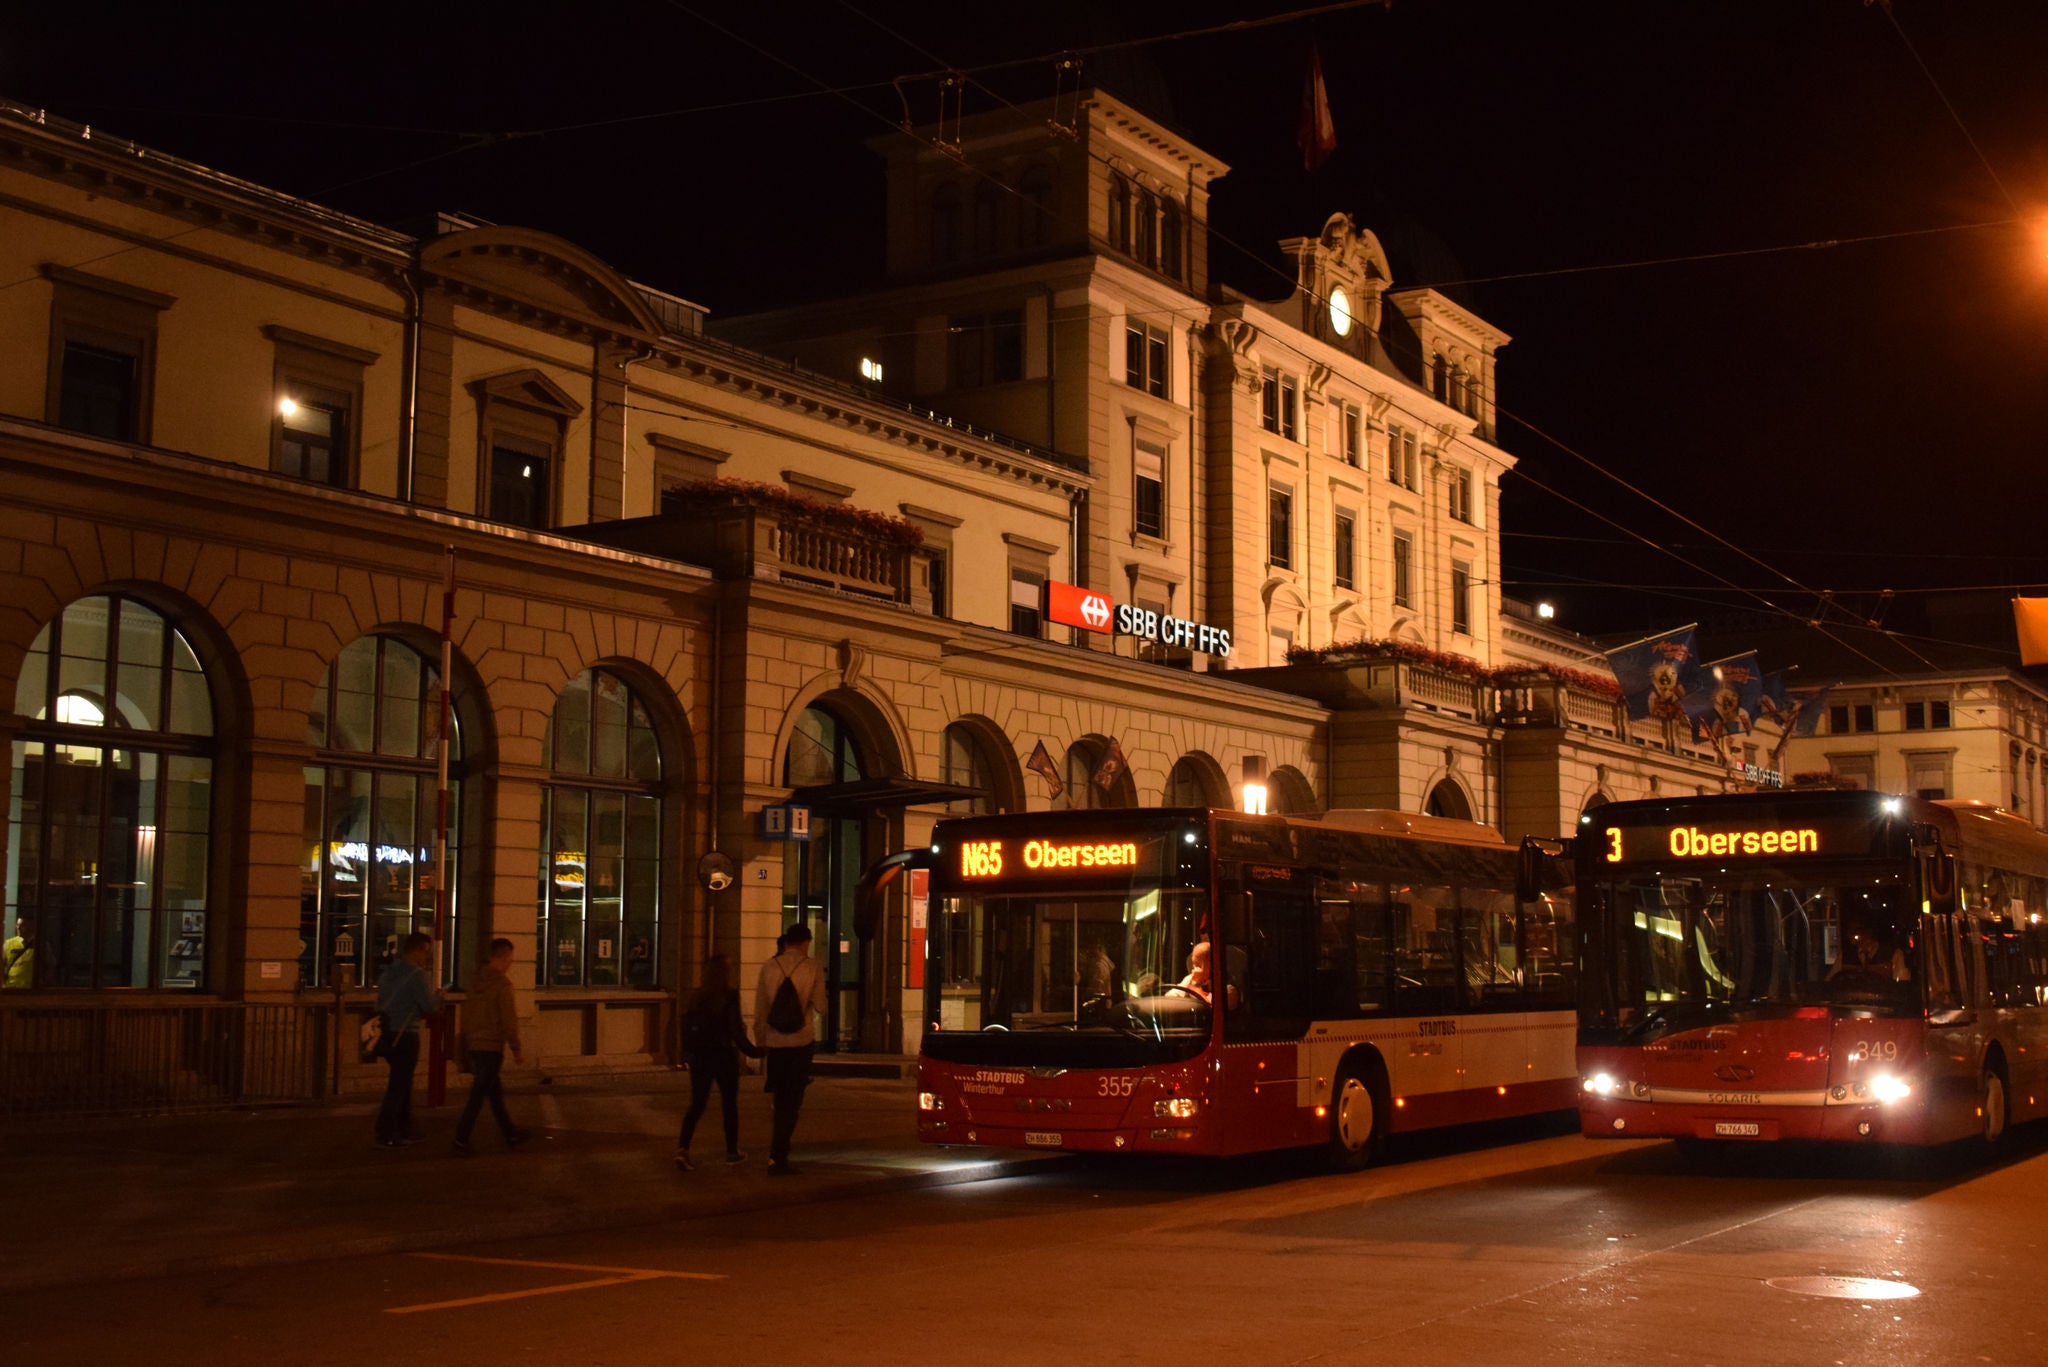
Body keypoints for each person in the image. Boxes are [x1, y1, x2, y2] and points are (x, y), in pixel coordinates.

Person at [753, 922, 828, 1176]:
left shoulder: (769, 966)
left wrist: (760, 1040)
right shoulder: (812, 966)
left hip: (775, 1043)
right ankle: (779, 1154)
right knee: (793, 1102)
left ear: (786, 942)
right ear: (806, 941)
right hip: (800, 1042)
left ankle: (777, 1153)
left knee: (778, 1100)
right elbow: (821, 1006)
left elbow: (761, 1009)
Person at [676, 952, 762, 1170]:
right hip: (724, 1056)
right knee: (729, 1104)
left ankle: (682, 1149)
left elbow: (686, 1028)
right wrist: (754, 1052)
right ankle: (731, 1151)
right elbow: (735, 1030)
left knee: (697, 1104)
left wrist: (687, 1053)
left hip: (701, 1057)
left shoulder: (697, 996)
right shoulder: (730, 995)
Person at [452, 936, 529, 1156]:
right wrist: (516, 1047)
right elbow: (508, 1019)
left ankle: (510, 1133)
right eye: (510, 959)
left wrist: (465, 1042)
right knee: (478, 1094)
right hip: (492, 1045)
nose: (511, 963)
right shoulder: (503, 985)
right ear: (504, 957)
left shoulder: (475, 983)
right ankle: (461, 1138)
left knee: (494, 1093)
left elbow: (466, 1015)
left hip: (475, 1043)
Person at [375, 931, 440, 1149]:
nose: (427, 958)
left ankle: (403, 1128)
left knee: (400, 1082)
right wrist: (441, 996)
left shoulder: (389, 972)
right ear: (418, 949)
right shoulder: (418, 975)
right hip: (406, 1034)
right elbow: (429, 1006)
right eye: (426, 952)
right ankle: (388, 1132)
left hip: (387, 1033)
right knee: (400, 1085)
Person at [1832, 926, 1911, 984]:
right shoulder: (1845, 955)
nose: (1856, 935)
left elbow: (1902, 985)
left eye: (1861, 929)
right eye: (1852, 932)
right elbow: (1830, 980)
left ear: (1871, 931)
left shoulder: (1894, 954)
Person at [2, 915, 33, 989]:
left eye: (22, 925)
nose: (18, 928)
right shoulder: (9, 943)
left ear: (31, 927)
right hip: (10, 987)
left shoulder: (39, 945)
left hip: (29, 989)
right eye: (17, 925)